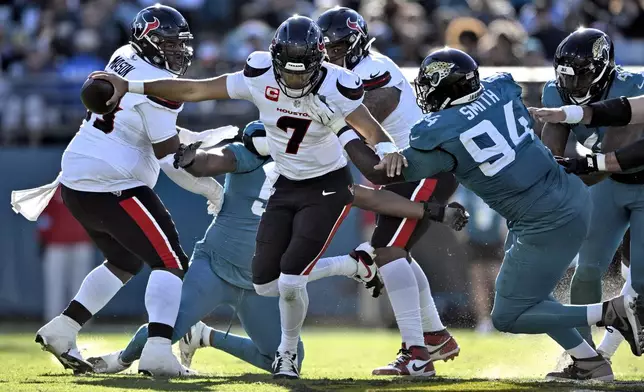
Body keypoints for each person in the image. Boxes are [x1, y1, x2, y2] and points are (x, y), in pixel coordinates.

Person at [91, 15, 415, 379]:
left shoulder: (337, 85)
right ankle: (127, 358)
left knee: (289, 286)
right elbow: (197, 93)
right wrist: (131, 87)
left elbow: (367, 133)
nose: (294, 82)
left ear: (319, 62)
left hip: (320, 188)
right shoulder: (254, 112)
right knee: (246, 293)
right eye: (287, 74)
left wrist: (389, 152)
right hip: (250, 229)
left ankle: (273, 353)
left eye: (302, 73)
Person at [308, 47, 644, 381]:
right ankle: (588, 361)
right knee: (527, 296)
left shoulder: (439, 131)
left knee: (509, 315)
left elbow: (380, 174)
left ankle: (609, 313)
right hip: (567, 193)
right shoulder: (501, 88)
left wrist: (342, 127)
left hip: (544, 219)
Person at [87, 121, 468, 375]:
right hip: (216, 266)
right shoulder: (250, 155)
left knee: (289, 359)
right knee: (162, 332)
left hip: (261, 283)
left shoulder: (316, 169)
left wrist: (431, 211)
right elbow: (216, 159)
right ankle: (116, 360)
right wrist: (195, 159)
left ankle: (205, 337)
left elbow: (368, 198)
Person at [29, 5, 226, 376]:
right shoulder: (159, 88)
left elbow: (135, 123)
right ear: (148, 42)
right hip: (113, 183)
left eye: (179, 43)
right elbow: (169, 159)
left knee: (125, 261)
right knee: (170, 263)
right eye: (167, 43)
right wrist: (212, 190)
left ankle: (63, 328)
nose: (176, 51)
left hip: (75, 181)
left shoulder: (123, 56)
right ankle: (157, 351)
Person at [314, 7, 459, 376]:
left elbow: (371, 111)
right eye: (325, 48)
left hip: (422, 167)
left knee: (388, 250)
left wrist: (316, 115)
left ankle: (417, 354)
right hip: (403, 174)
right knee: (397, 252)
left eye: (338, 46)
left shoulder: (373, 68)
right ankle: (435, 338)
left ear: (358, 42)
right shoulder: (334, 76)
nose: (331, 54)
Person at [538, 28, 644, 350]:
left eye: (581, 76)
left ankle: (604, 354)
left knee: (639, 284)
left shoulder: (630, 86)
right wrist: (550, 182)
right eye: (567, 77)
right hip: (610, 183)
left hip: (630, 177)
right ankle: (582, 355)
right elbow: (552, 154)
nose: (572, 86)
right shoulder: (555, 93)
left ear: (602, 69)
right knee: (586, 270)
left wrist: (578, 170)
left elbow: (610, 161)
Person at [38, 188, 94, 322]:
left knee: (82, 284)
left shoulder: (89, 188)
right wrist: (42, 239)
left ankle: (80, 320)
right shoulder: (52, 190)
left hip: (82, 243)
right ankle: (53, 319)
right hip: (56, 244)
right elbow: (44, 217)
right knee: (55, 283)